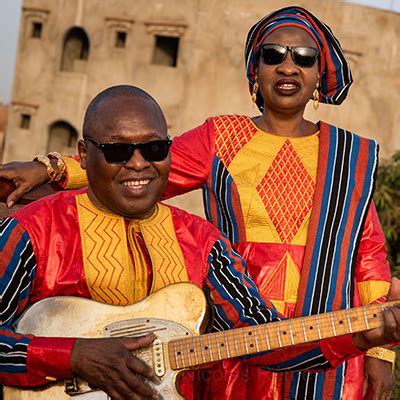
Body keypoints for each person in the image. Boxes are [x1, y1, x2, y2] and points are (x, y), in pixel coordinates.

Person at [0, 6, 394, 400]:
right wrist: (52, 170)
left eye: (304, 58)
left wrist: (373, 343)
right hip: (225, 342)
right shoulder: (219, 137)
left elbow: (369, 251)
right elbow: (136, 171)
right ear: (254, 70)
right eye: (273, 55)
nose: (288, 67)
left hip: (290, 333)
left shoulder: (349, 157)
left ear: (319, 73)